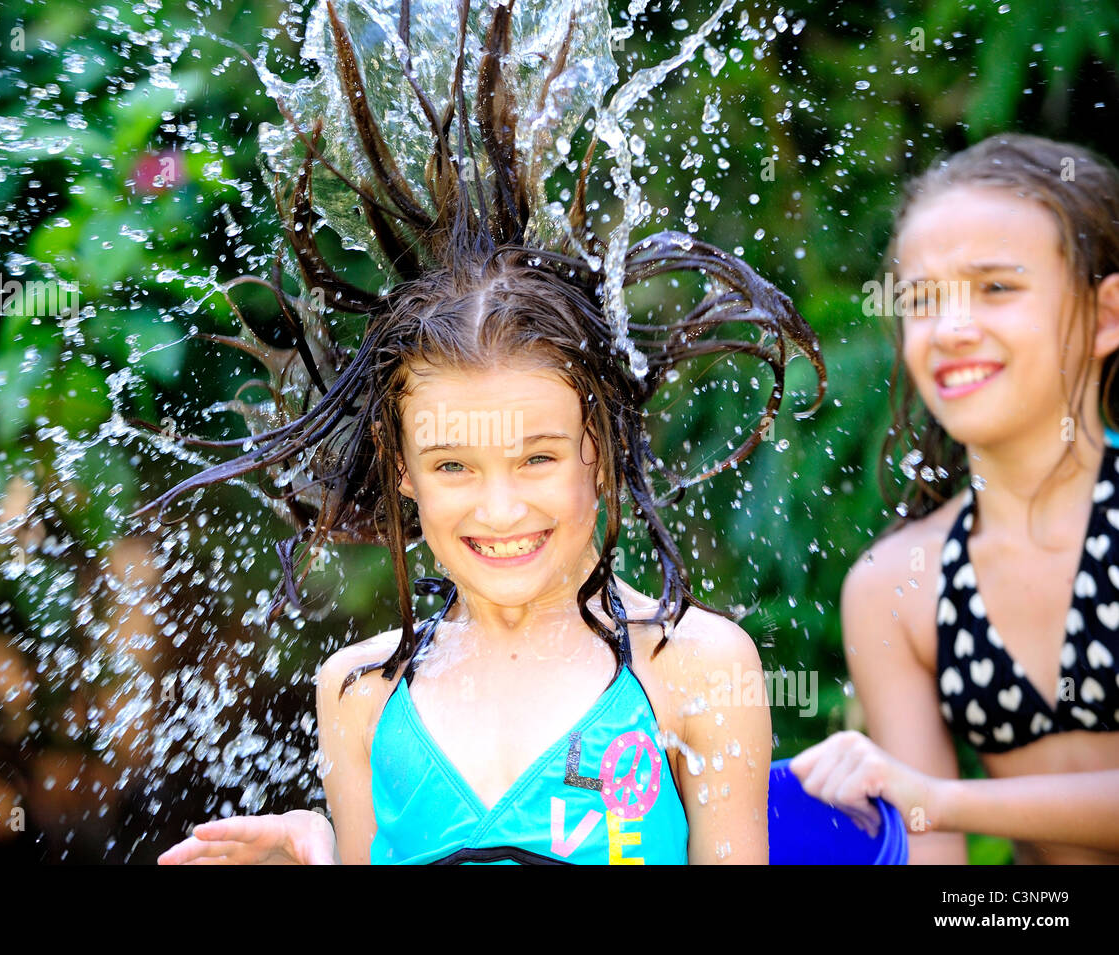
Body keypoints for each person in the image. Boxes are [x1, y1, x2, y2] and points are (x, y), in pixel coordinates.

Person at [148, 0, 826, 863]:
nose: (500, 508)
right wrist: (322, 854)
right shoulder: (359, 692)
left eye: (538, 456)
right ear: (402, 470)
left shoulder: (693, 667)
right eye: (454, 464)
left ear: (603, 453)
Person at [791, 133, 1119, 864]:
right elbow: (936, 862)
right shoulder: (895, 587)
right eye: (922, 300)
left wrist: (943, 799)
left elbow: (929, 803)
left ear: (1105, 316)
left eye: (997, 287)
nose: (952, 330)